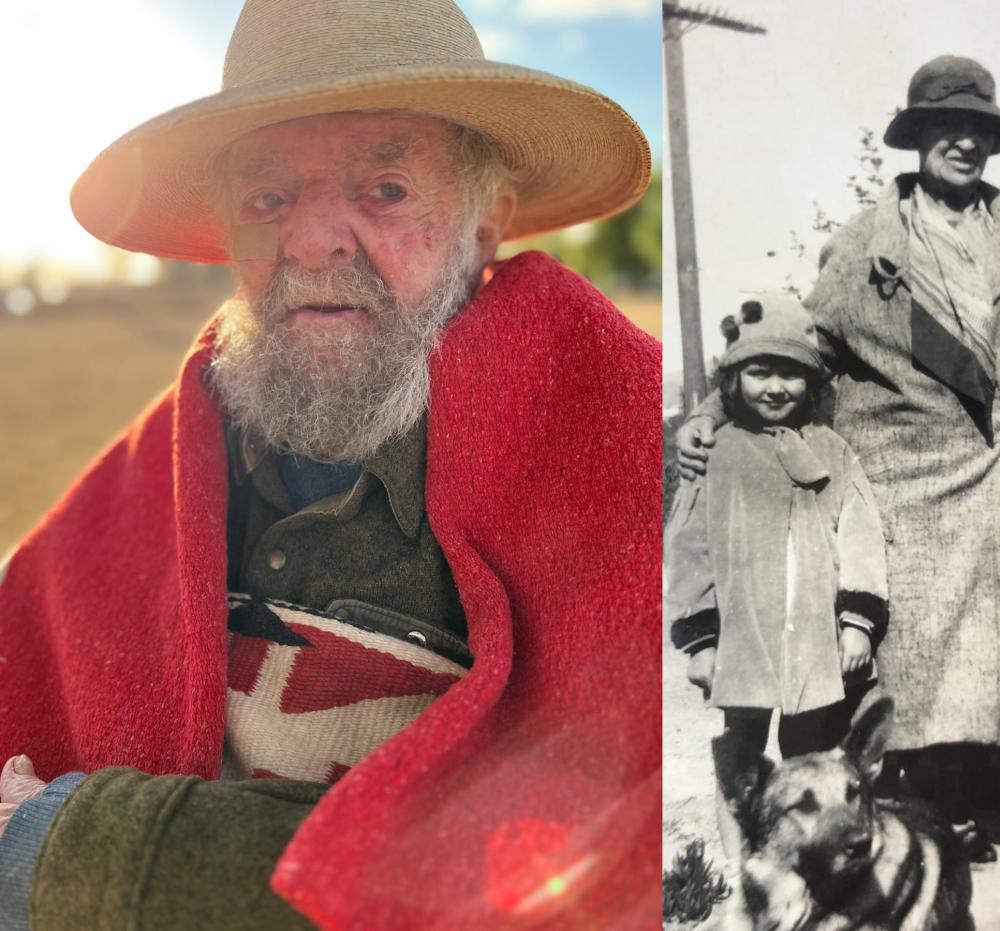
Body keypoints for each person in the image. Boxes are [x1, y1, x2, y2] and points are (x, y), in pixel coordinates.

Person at [0, 1, 660, 929]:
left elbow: (617, 858)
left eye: (385, 188)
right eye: (267, 199)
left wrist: (74, 845)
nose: (311, 241)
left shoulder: (641, 459)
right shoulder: (155, 469)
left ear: (483, 226)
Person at [676, 55, 1000, 862]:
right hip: (900, 472)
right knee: (911, 647)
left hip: (993, 470)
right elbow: (799, 345)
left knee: (983, 652)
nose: (961, 143)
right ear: (917, 136)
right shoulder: (866, 243)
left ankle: (959, 804)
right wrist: (713, 411)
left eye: (977, 130)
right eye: (943, 128)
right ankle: (914, 805)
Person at [665, 293, 888, 912]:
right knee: (741, 751)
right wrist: (702, 640)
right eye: (759, 371)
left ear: (812, 381)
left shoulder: (832, 452)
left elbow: (861, 534)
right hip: (744, 636)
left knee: (807, 755)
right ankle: (748, 870)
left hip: (814, 638)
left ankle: (812, 863)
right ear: (733, 379)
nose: (774, 386)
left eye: (790, 372)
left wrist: (858, 623)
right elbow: (689, 552)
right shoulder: (716, 455)